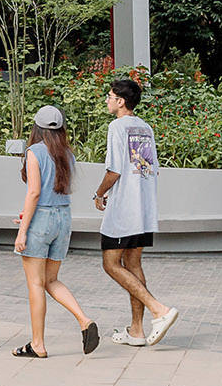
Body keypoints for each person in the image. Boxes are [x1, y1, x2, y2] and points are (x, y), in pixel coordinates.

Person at [94, 77, 178, 347]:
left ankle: (158, 310)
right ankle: (137, 331)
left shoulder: (117, 126)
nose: (107, 100)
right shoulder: (145, 127)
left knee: (111, 264)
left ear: (120, 101)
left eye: (110, 96)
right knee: (133, 265)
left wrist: (99, 193)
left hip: (124, 210)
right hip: (144, 207)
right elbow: (148, 168)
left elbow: (114, 170)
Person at [12, 105, 99, 358]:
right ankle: (84, 320)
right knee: (51, 280)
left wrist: (23, 231)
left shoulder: (34, 152)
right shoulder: (67, 154)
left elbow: (34, 193)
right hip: (63, 218)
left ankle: (37, 344)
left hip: (41, 219)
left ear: (36, 128)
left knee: (36, 284)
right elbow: (54, 193)